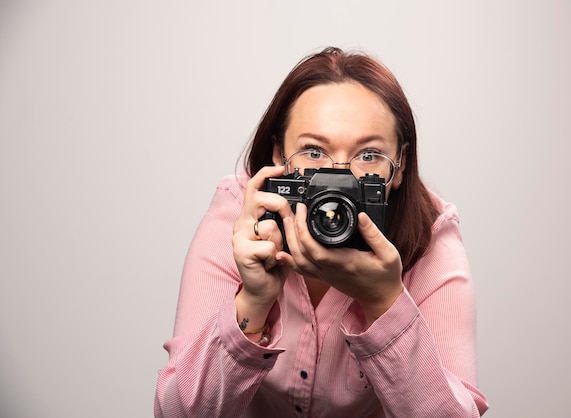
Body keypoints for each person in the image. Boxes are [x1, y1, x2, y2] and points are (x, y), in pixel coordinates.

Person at [154, 47, 489, 417]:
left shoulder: (430, 235)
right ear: (279, 156)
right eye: (313, 152)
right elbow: (178, 413)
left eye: (368, 155)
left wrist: (383, 301)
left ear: (400, 164)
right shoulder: (243, 216)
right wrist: (253, 301)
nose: (339, 180)